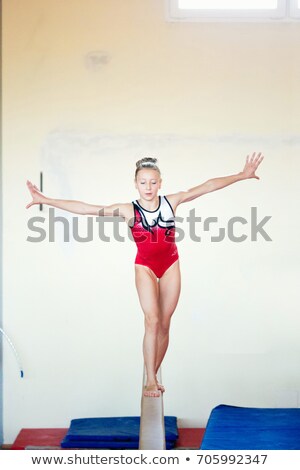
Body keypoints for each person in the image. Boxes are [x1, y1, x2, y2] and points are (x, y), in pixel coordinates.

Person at [26, 152, 264, 397]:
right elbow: (86, 209)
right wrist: (46, 200)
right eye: (143, 182)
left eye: (153, 182)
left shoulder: (172, 201)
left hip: (171, 264)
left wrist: (242, 175)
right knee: (151, 319)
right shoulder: (128, 210)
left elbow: (207, 186)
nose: (148, 187)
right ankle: (150, 379)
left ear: (160, 183)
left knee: (164, 324)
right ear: (135, 184)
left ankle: (154, 370)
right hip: (146, 267)